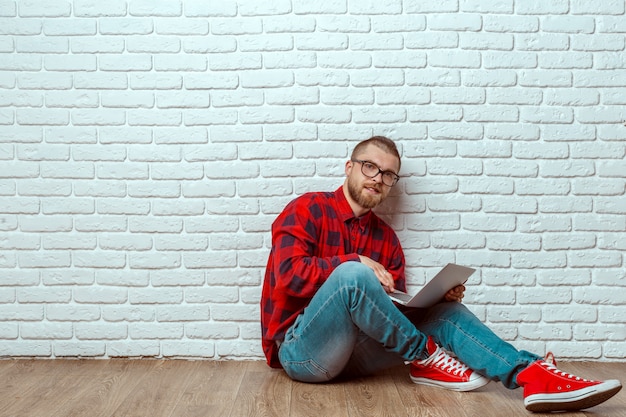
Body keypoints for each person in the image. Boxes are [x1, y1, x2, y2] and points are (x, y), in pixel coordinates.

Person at [260, 135, 622, 413]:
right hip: (303, 353)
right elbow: (287, 275)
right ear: (349, 167)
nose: (378, 179)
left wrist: (431, 301)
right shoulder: (307, 209)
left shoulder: (387, 240)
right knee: (352, 276)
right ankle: (426, 359)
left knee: (442, 313)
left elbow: (389, 316)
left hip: (358, 356)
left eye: (388, 174)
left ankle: (530, 375)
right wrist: (354, 261)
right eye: (370, 167)